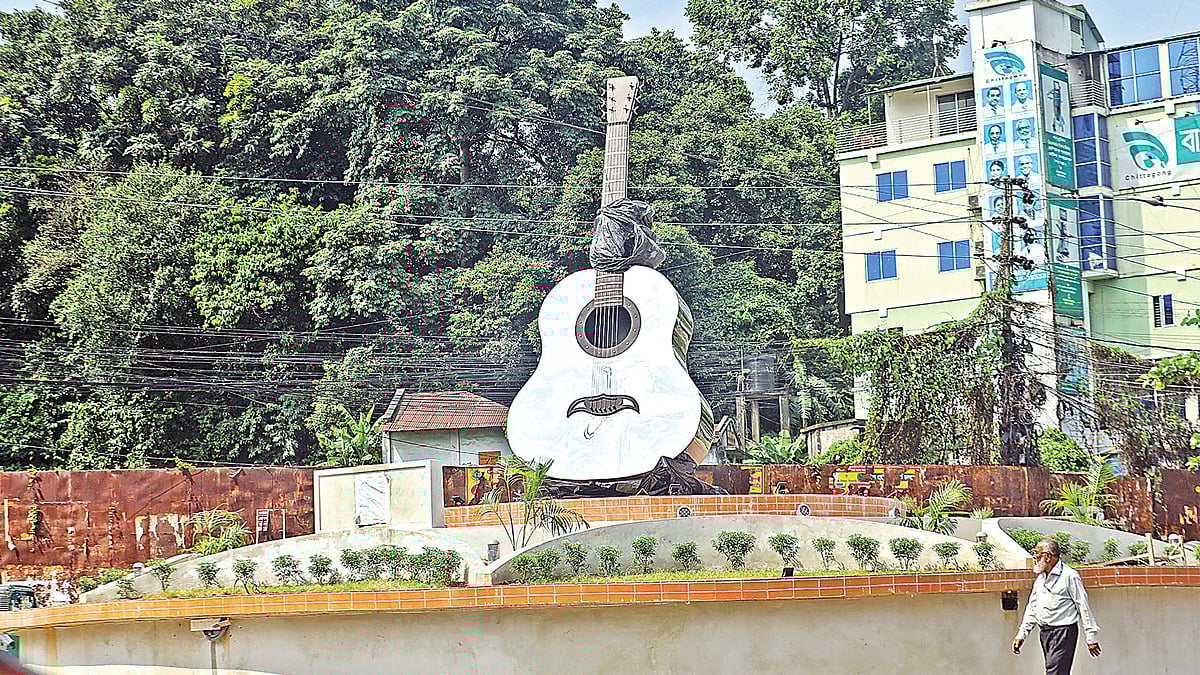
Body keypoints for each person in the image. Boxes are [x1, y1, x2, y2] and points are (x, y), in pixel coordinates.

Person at [1013, 538, 1102, 674]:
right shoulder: (1040, 579)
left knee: (1054, 672)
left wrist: (1091, 637)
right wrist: (1021, 635)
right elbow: (1032, 607)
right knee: (1057, 672)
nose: (1034, 557)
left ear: (1047, 556)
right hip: (1045, 633)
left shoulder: (1069, 576)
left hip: (1064, 632)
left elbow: (1082, 605)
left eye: (1037, 553)